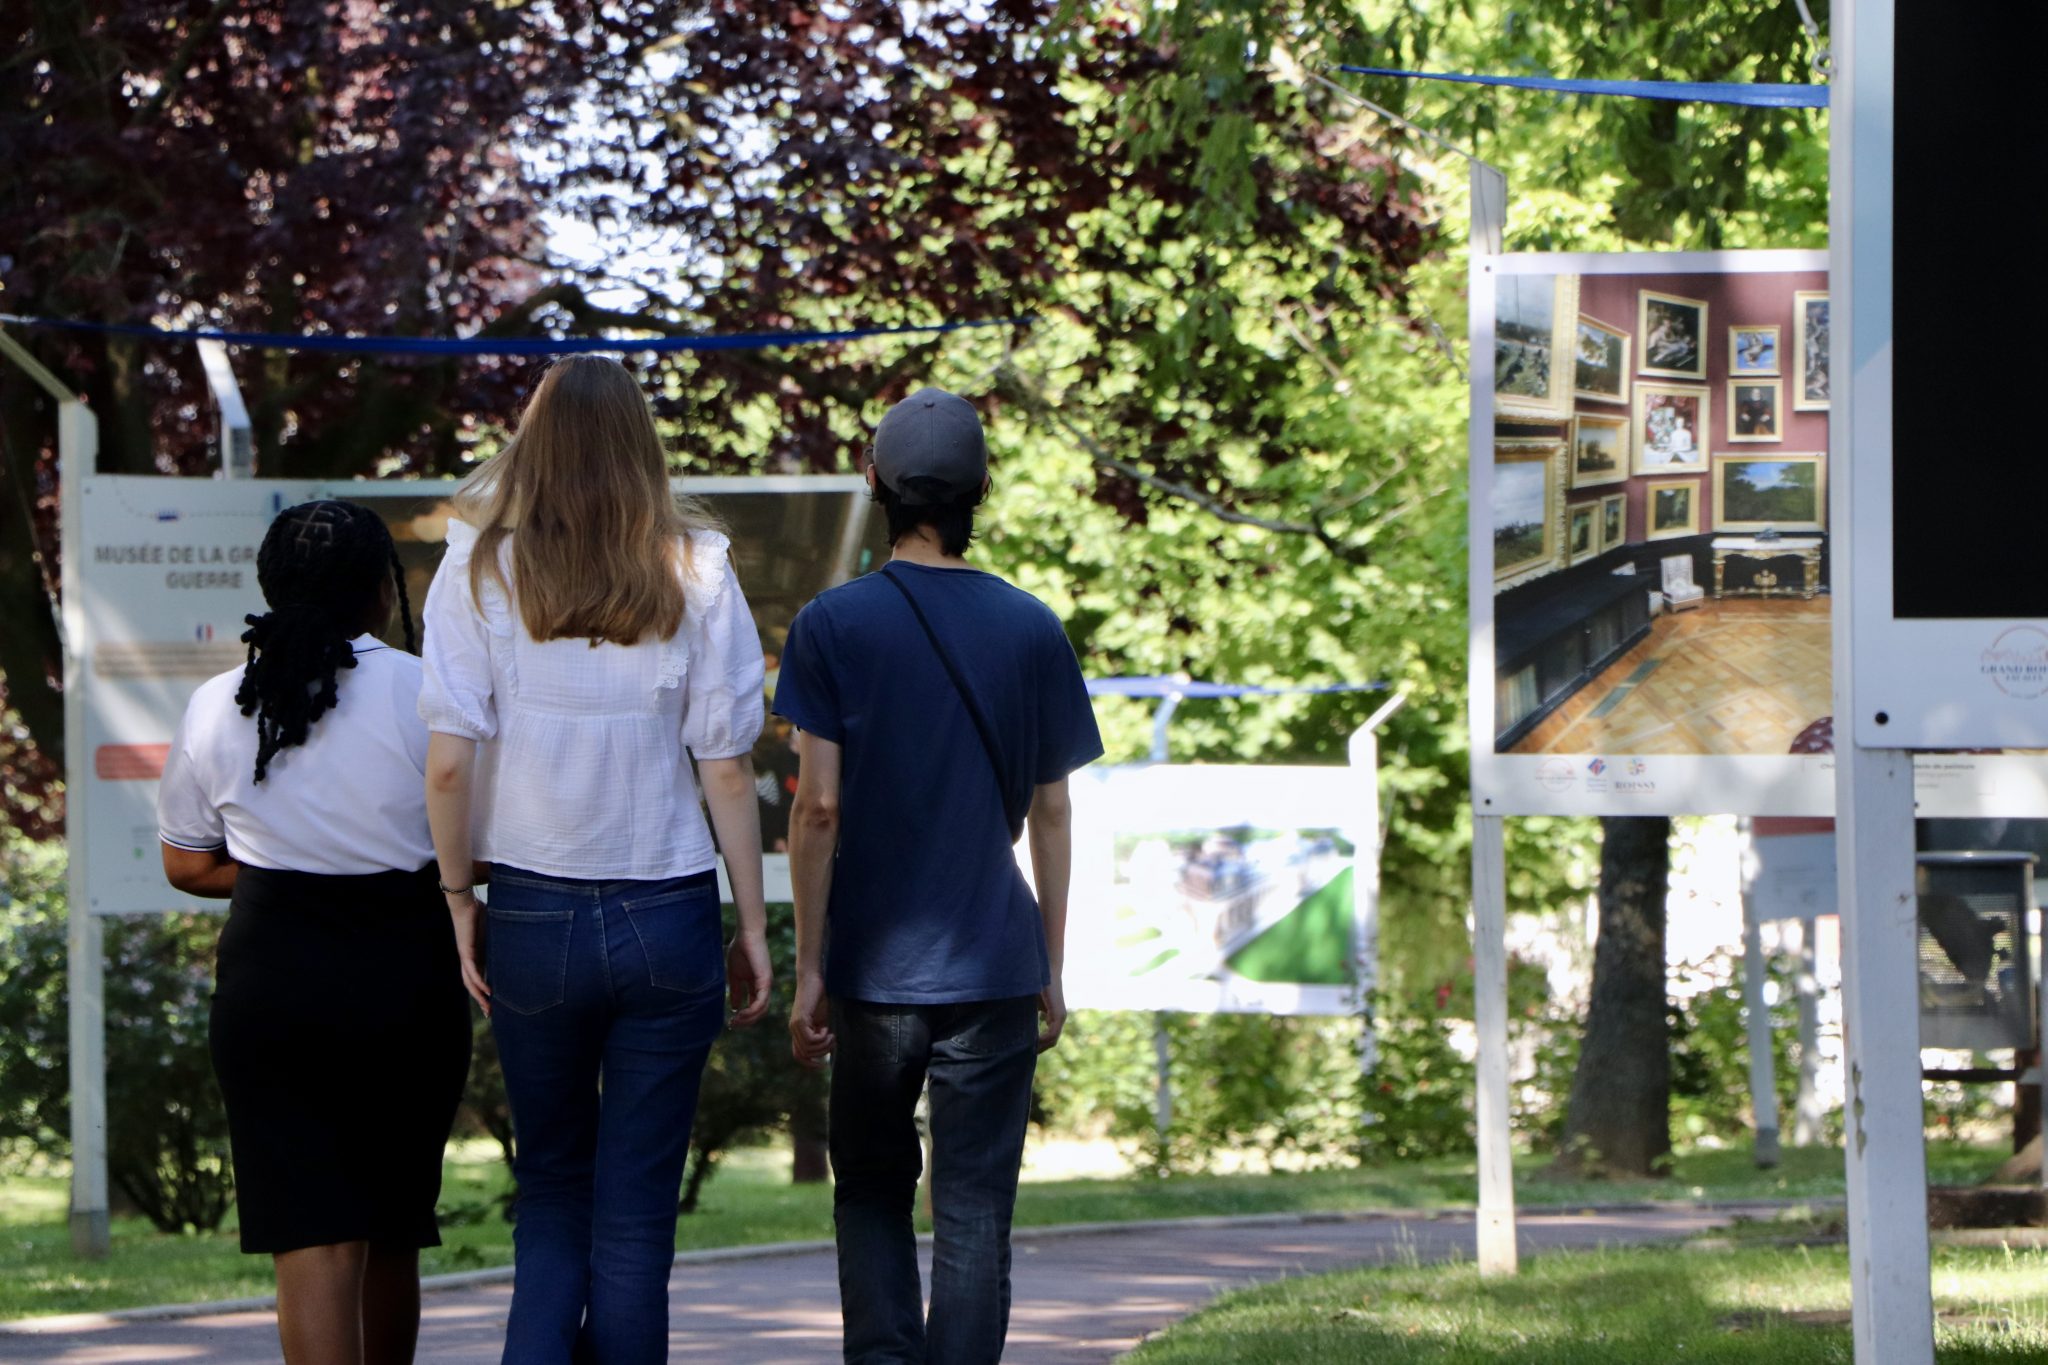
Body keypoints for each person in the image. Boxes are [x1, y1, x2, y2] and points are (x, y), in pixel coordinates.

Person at [418, 355, 772, 1363]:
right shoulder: (695, 566)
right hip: (666, 909)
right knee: (635, 1214)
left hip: (529, 908)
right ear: (639, 448)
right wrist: (750, 924)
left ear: (535, 446)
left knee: (553, 1192)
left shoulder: (478, 568)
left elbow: (447, 767)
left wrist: (456, 902)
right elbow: (726, 771)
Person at [777, 387, 1103, 1364]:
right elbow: (1050, 809)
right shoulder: (1030, 628)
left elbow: (816, 806)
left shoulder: (830, 627)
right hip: (994, 959)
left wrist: (809, 968)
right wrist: (1047, 961)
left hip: (875, 965)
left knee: (871, 1189)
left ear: (871, 480)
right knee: (971, 1213)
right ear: (978, 492)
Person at [157, 500, 470, 1365]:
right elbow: (480, 850)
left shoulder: (219, 702)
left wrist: (284, 876)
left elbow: (186, 864)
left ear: (270, 588)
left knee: (312, 1233)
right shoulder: (427, 691)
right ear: (383, 592)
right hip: (408, 969)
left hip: (272, 972)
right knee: (392, 1223)